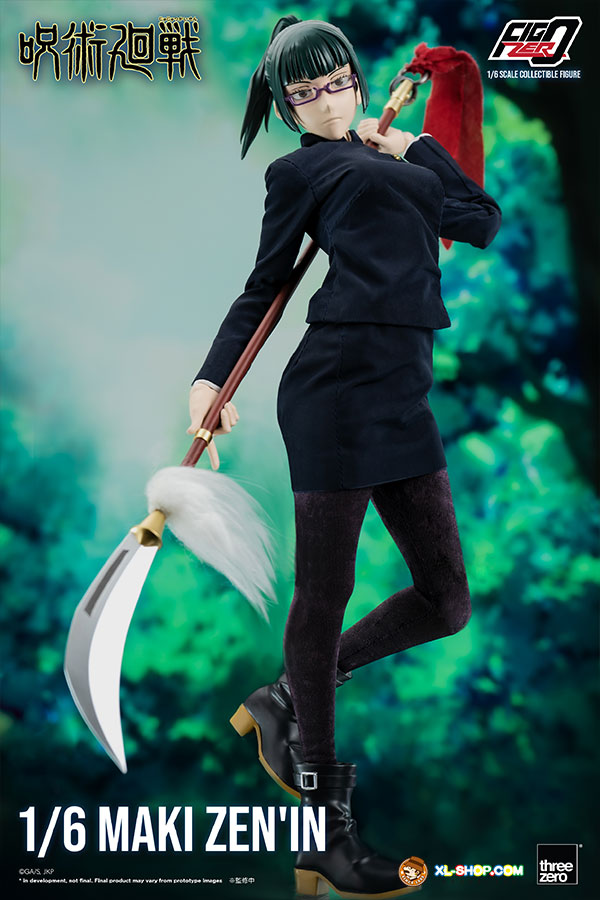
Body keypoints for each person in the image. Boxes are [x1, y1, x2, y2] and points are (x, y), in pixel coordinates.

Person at [188, 16, 501, 898]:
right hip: (333, 392)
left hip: (403, 395)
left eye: (337, 85)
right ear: (287, 108)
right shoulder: (299, 173)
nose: (327, 103)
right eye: (306, 93)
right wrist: (209, 381)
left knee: (445, 601)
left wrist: (412, 144)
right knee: (325, 596)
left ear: (360, 84)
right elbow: (264, 285)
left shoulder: (402, 158)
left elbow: (480, 219)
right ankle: (324, 830)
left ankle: (288, 695)